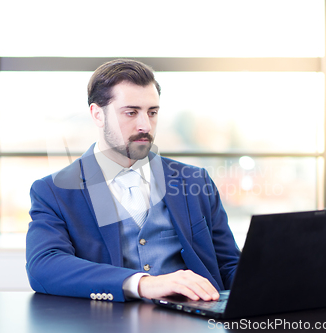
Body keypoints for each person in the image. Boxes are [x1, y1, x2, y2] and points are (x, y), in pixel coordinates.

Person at [26, 59, 240, 303]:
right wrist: (142, 284)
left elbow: (229, 265)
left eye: (152, 112)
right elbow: (44, 265)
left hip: (197, 319)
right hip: (107, 323)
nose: (145, 125)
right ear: (98, 114)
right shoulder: (53, 191)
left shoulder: (195, 180)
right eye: (131, 112)